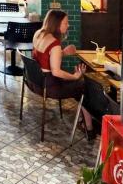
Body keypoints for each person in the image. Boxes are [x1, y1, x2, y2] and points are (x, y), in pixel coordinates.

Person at [32, 9, 94, 137]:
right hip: (51, 87)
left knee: (79, 85)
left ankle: (84, 118)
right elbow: (56, 72)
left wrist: (64, 52)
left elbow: (45, 57)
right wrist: (74, 77)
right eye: (66, 23)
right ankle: (89, 127)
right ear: (57, 24)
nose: (68, 25)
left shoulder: (39, 34)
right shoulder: (55, 44)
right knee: (85, 87)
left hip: (36, 82)